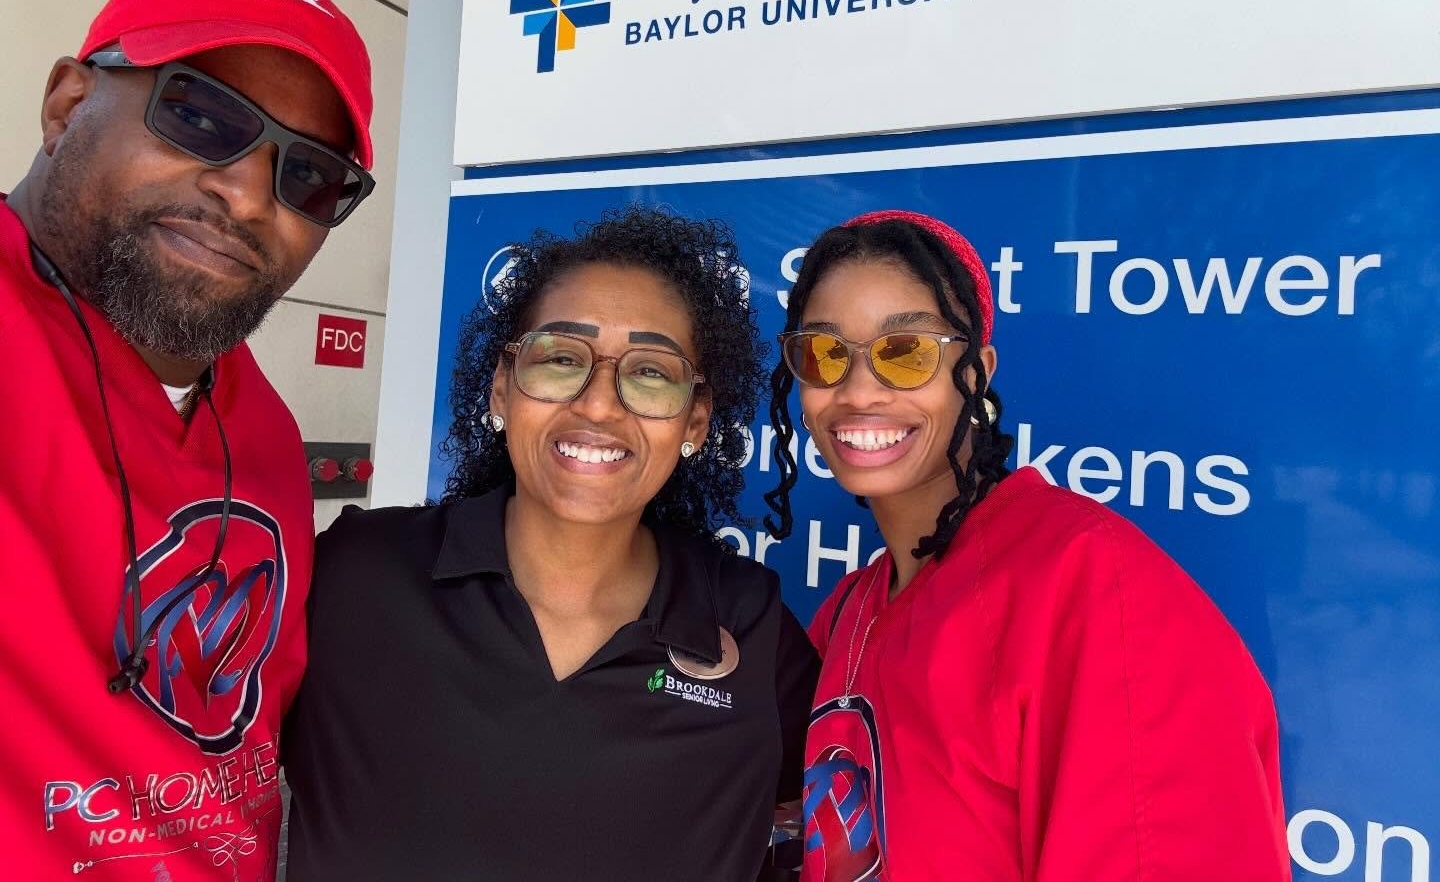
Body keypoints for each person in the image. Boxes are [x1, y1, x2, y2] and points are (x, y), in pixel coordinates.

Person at [283, 206, 819, 881]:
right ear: (504, 386)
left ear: (697, 421)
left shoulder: (748, 620)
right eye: (563, 358)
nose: (599, 405)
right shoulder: (357, 573)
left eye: (651, 372)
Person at [765, 209, 1290, 881]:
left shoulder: (1096, 589)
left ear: (978, 373)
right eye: (824, 353)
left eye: (907, 352)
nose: (860, 388)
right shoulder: (850, 610)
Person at [0, 0, 376, 879]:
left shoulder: (269, 435)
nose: (248, 195)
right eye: (200, 115)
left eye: (311, 177)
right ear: (67, 104)